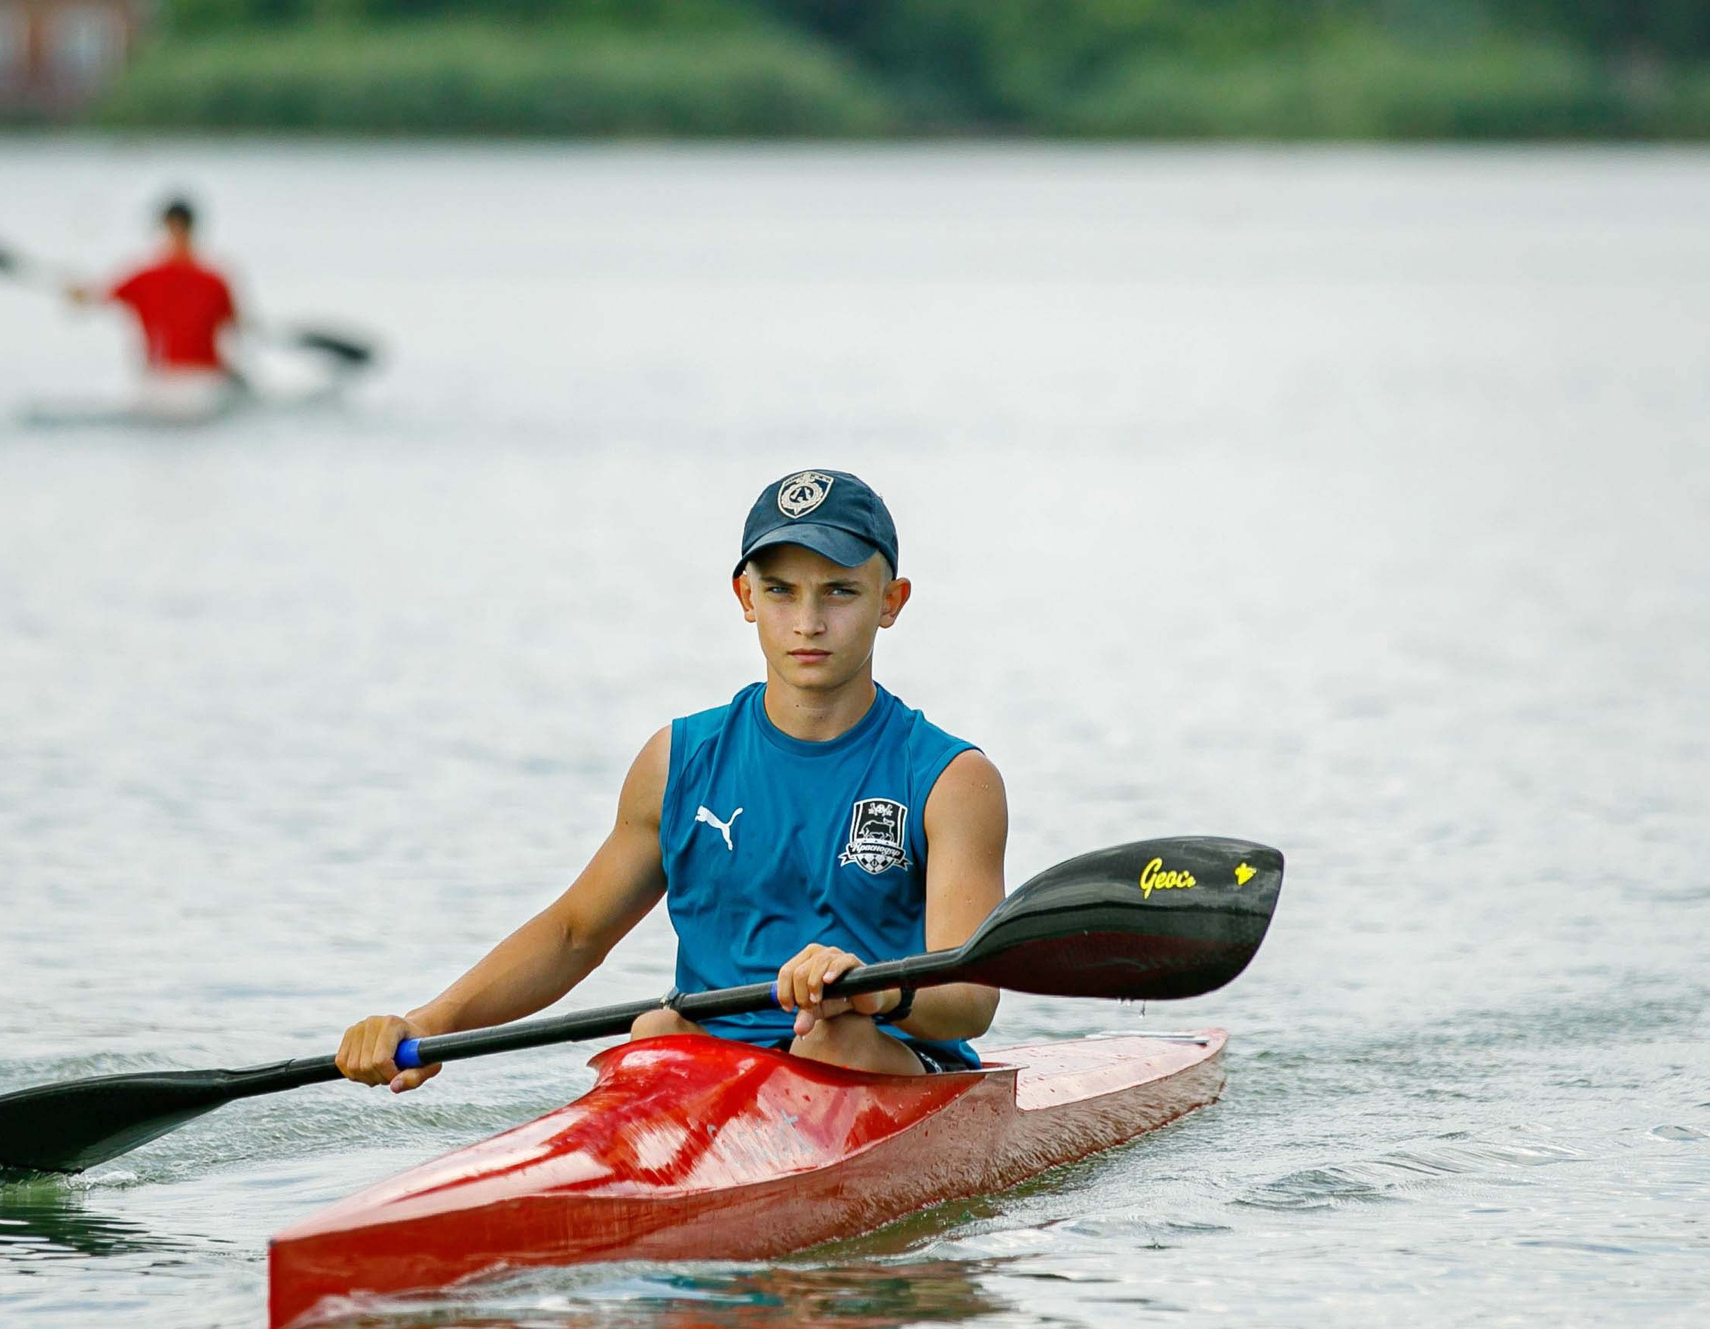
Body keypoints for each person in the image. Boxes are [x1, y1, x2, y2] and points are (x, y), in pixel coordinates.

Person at [337, 468, 1009, 1093]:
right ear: (746, 596)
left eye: (840, 590)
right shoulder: (677, 760)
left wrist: (875, 990)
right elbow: (576, 933)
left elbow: (972, 999)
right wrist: (429, 1023)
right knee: (655, 1032)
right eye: (780, 590)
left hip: (879, 1060)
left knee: (833, 1037)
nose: (808, 621)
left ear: (891, 601)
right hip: (722, 1073)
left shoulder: (952, 780)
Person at [68, 197, 240, 380]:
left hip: (183, 376)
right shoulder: (213, 279)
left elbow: (91, 297)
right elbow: (236, 324)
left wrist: (80, 294)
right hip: (181, 376)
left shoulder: (211, 281)